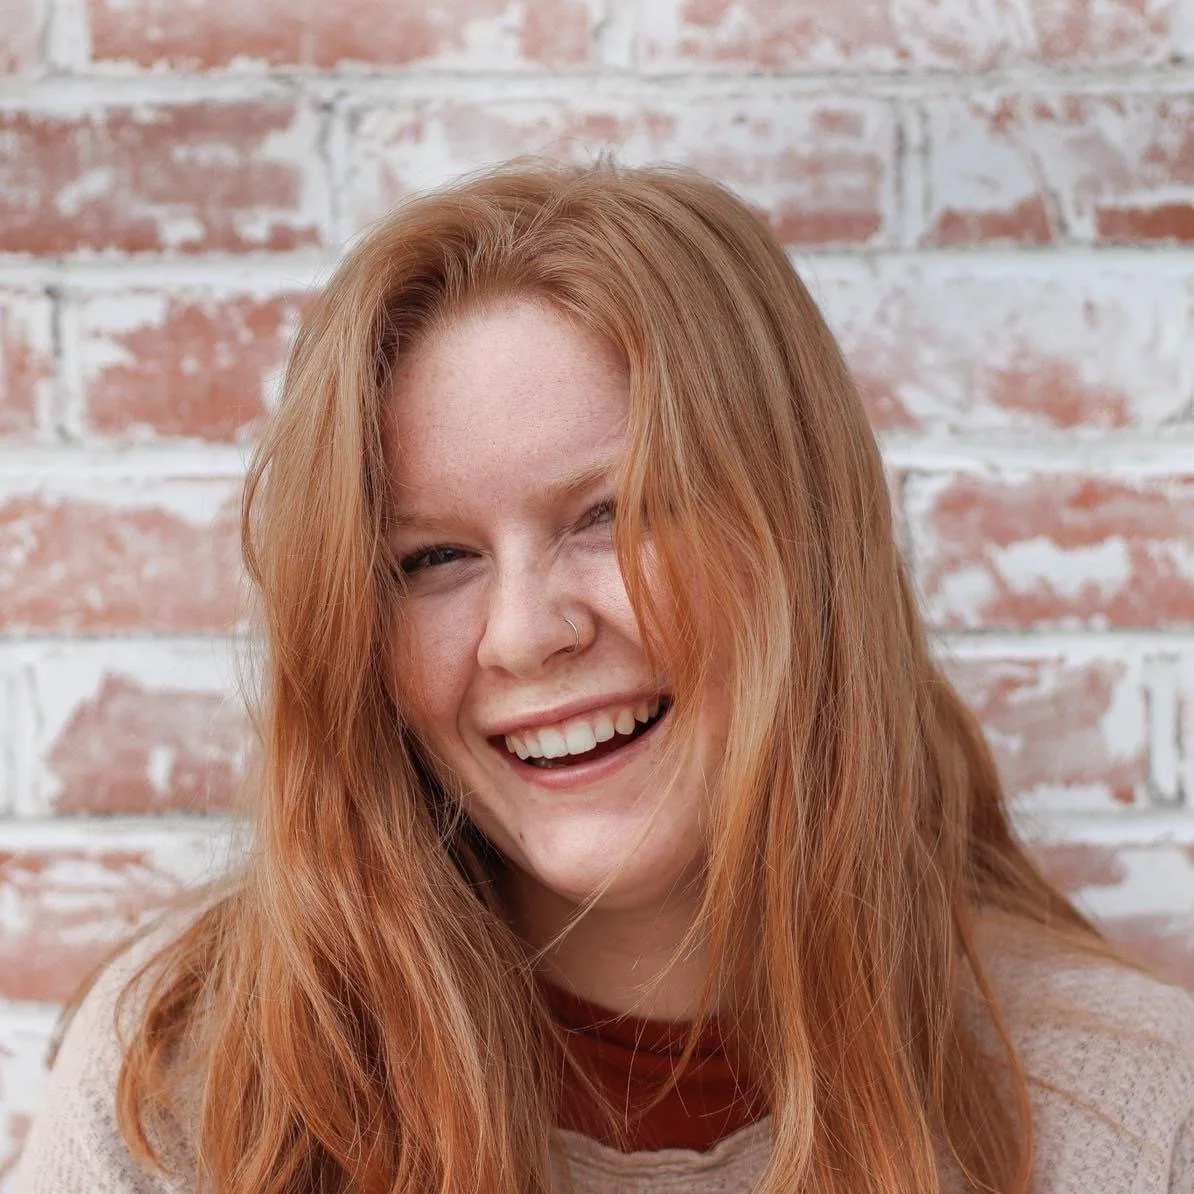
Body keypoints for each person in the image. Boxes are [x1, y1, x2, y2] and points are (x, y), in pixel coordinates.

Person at [14, 161, 1194, 1194]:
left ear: (803, 542)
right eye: (432, 559)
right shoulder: (187, 1082)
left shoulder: (1128, 1116)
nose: (524, 636)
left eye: (610, 516)